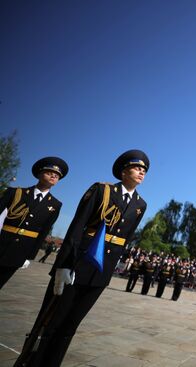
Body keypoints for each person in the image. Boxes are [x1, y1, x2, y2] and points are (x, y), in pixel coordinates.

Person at [14, 150, 148, 367]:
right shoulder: (102, 190)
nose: (141, 172)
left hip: (101, 271)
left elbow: (125, 239)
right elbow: (78, 225)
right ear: (124, 171)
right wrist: (63, 265)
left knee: (71, 325)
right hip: (78, 263)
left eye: (144, 170)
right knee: (52, 321)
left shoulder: (141, 205)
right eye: (137, 168)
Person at [0, 157, 68, 290]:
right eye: (49, 172)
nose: (53, 176)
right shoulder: (15, 193)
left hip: (19, 251)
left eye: (57, 175)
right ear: (39, 174)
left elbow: (44, 232)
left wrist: (29, 256)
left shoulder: (55, 205)